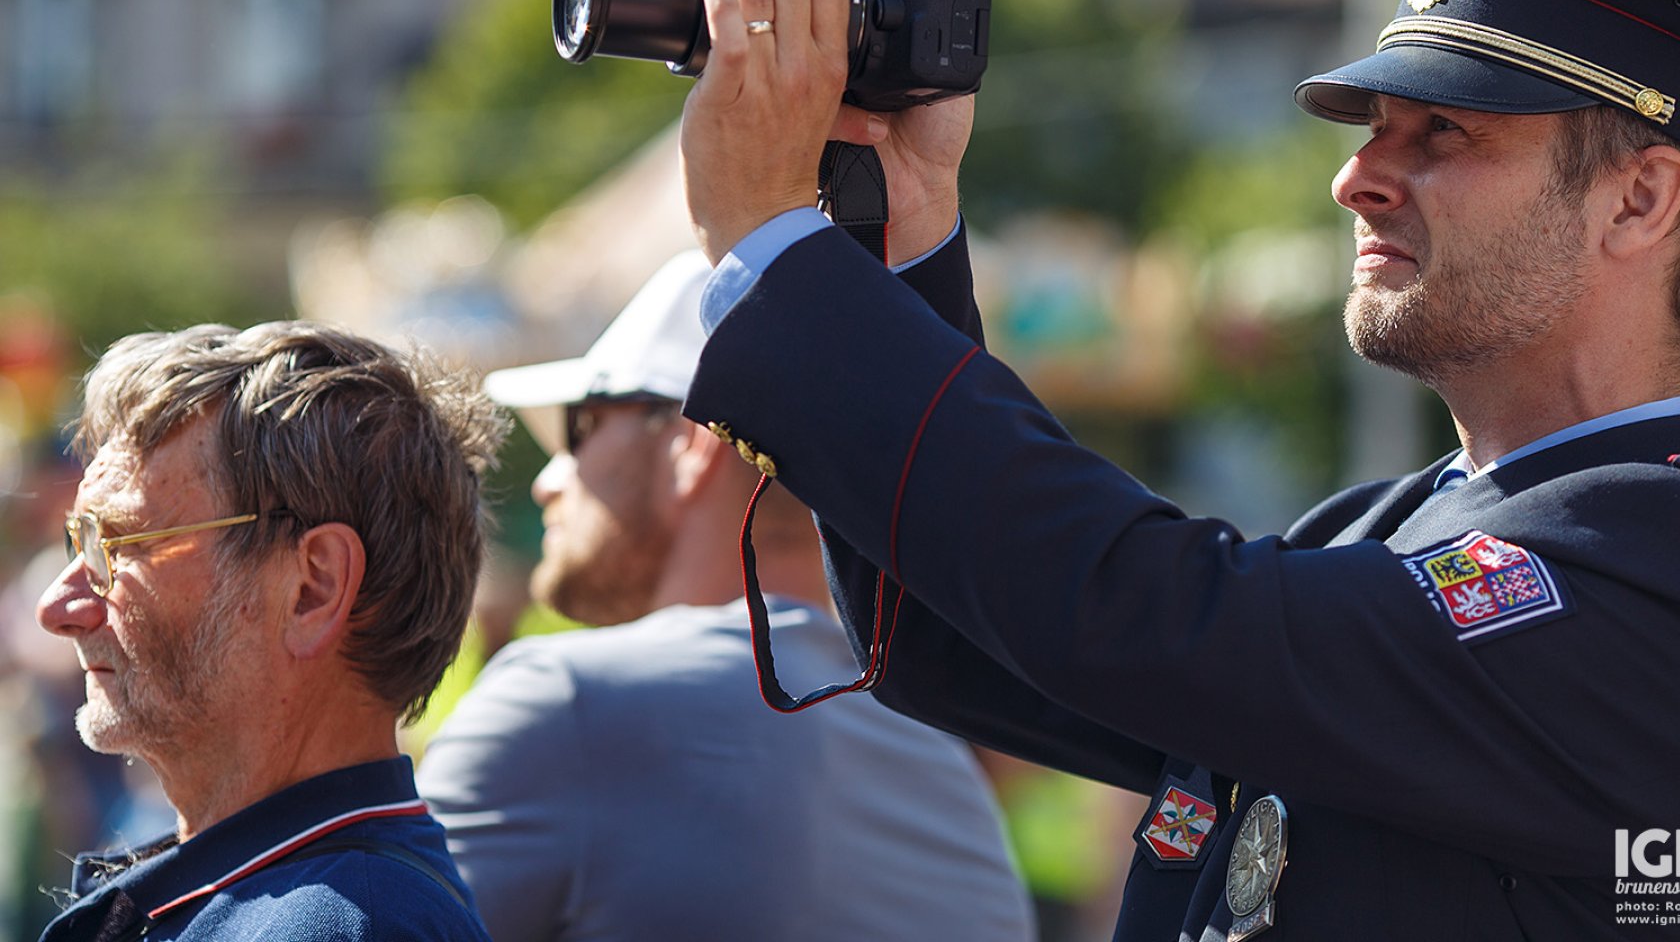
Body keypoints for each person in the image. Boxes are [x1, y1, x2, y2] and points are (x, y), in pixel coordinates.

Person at [671, 0, 1680, 939]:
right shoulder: (1385, 527)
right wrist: (903, 221)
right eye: (1375, 130)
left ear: (1640, 200)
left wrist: (778, 249)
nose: (1355, 177)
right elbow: (954, 641)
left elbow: (1144, 616)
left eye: (1444, 131)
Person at [417, 251, 1035, 942]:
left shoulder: (566, 704)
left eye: (581, 426)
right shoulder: (944, 773)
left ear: (691, 445)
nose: (550, 480)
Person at [34, 322, 506, 941]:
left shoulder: (342, 925)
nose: (58, 606)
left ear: (313, 587)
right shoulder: (309, 897)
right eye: (79, 542)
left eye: (119, 545)